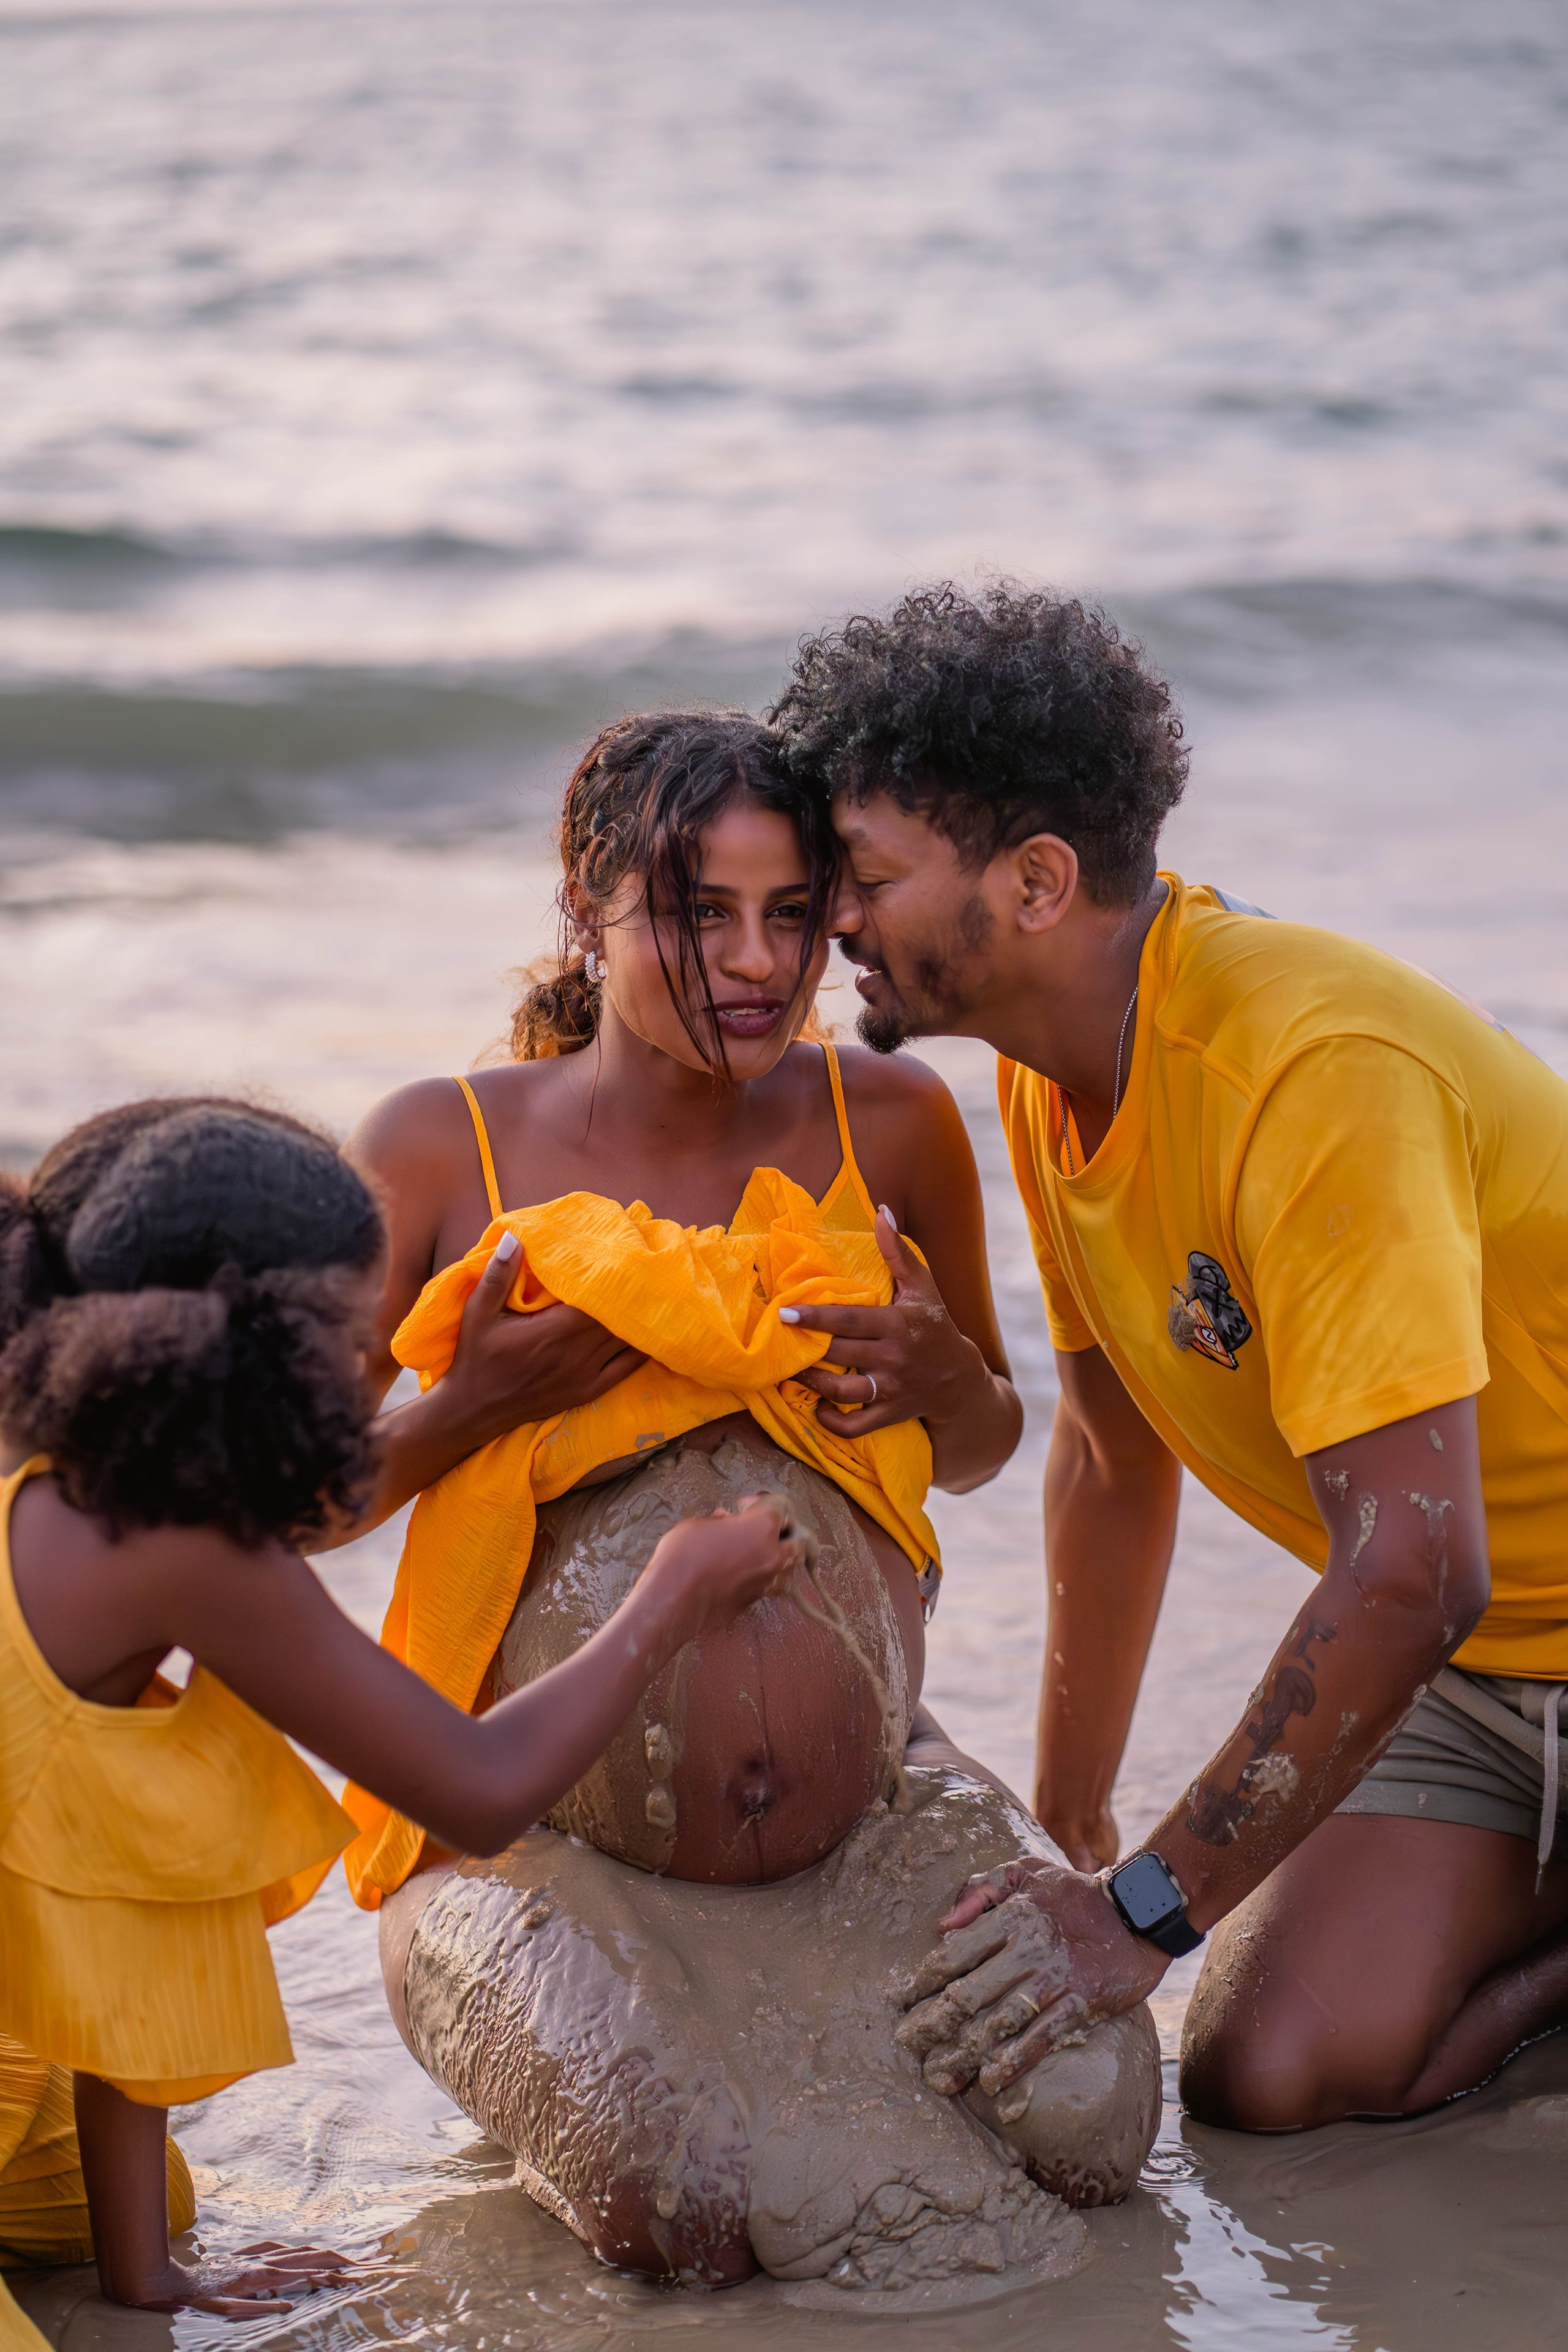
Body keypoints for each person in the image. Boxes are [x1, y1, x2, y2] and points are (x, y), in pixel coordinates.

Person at [328, 712, 1170, 2286]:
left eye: (792, 915)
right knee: (681, 2202)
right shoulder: (443, 1149)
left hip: (873, 1811)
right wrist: (479, 1400)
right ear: (586, 901)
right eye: (695, 912)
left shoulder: (890, 1122)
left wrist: (933, 1372)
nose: (753, 962)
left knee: (1097, 2118)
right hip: (526, 1842)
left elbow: (980, 1443)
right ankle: (573, 2009)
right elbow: (285, 1510)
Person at [769, 580, 1568, 2133]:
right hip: (1488, 1677)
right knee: (1263, 2074)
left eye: (860, 877)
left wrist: (1140, 1915)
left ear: (1038, 880)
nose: (827, 922)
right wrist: (1076, 1826)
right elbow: (1107, 1454)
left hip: (1453, 1611)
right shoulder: (1049, 1071)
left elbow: (1408, 1569)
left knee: (1183, 1961)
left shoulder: (1306, 1074)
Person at [0, 1098, 801, 2340]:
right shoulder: (179, 1543)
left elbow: (117, 1884)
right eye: (342, 1331)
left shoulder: (54, 1454)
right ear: (237, 1348)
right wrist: (672, 1595)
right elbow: (475, 1786)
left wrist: (143, 2279)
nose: (364, 1362)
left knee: (145, 2199)